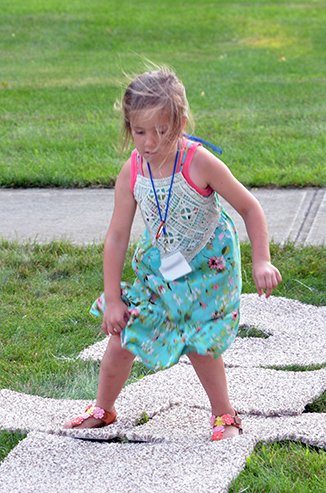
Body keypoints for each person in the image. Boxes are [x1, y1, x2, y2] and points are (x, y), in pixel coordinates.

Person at [64, 67, 282, 440]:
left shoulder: (200, 163)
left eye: (161, 131)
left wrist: (262, 258)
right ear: (128, 127)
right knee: (123, 337)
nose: (150, 142)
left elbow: (249, 208)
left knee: (199, 342)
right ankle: (104, 408)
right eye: (139, 131)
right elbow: (117, 238)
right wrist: (113, 298)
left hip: (209, 268)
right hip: (160, 268)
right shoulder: (132, 170)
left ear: (180, 122)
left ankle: (224, 415)